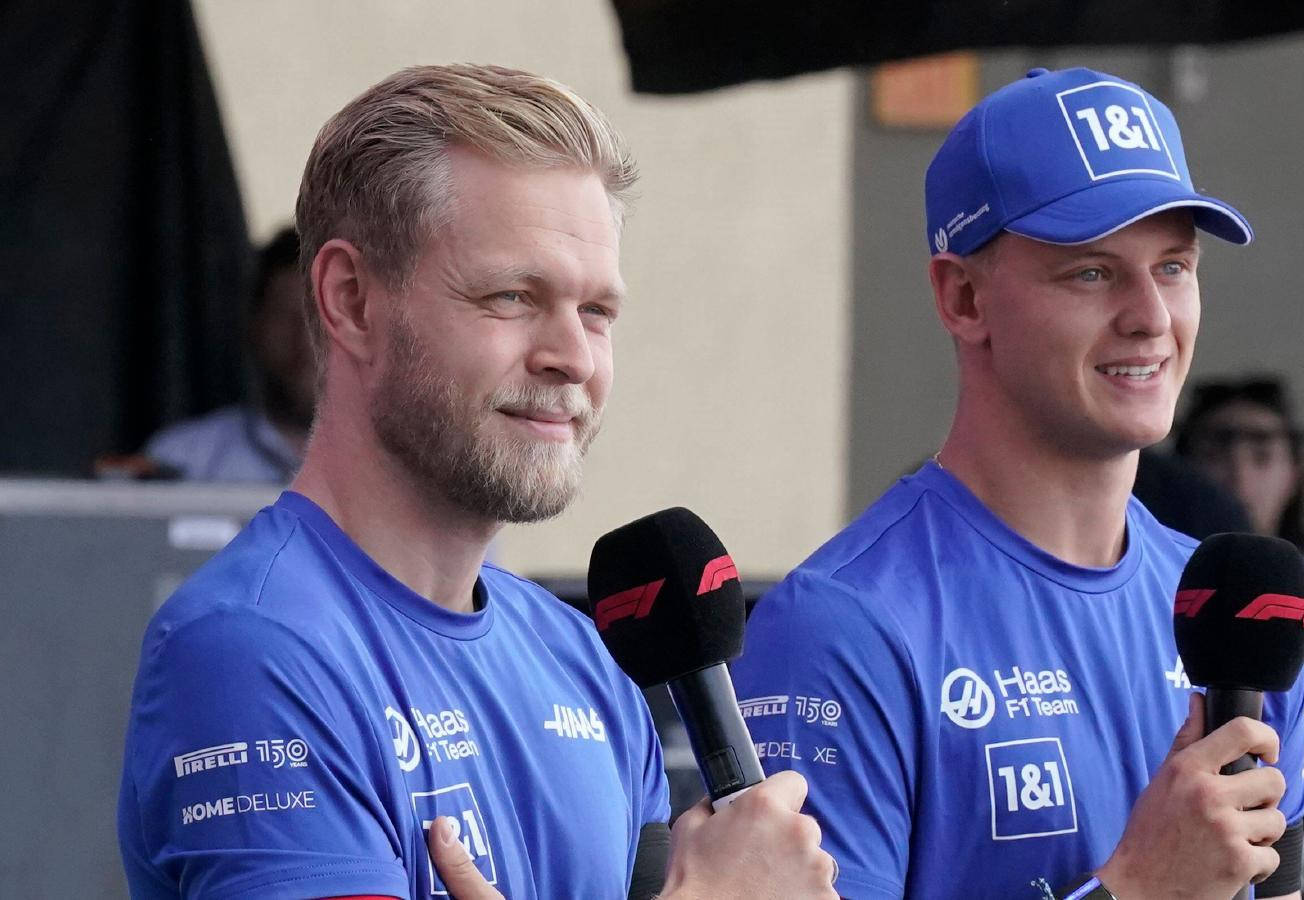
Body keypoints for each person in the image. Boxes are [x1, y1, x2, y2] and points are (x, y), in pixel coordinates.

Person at [117, 64, 836, 899]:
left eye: (598, 311)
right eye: (512, 296)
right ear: (350, 300)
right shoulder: (252, 649)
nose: (572, 357)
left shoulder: (585, 666)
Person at [731, 67, 1304, 899]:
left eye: (1174, 267)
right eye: (1093, 272)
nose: (1151, 316)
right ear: (963, 297)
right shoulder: (838, 631)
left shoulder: (1232, 611)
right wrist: (1137, 890)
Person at [140, 227, 317, 482]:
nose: (305, 338)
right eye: (284, 314)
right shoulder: (181, 461)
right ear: (253, 325)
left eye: (323, 318)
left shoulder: (394, 468)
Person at [1174, 376, 1304, 600]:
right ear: (1180, 470)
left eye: (1262, 457)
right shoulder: (1156, 576)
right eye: (1215, 457)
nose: (1239, 476)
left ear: (1294, 475)